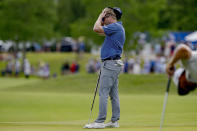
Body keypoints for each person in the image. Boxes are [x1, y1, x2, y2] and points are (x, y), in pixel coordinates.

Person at [84, 7, 125, 128]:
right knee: (113, 94)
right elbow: (99, 29)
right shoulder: (116, 28)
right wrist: (103, 17)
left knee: (103, 93)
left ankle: (100, 121)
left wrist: (100, 15)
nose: (103, 20)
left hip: (110, 64)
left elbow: (96, 28)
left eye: (105, 18)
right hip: (114, 63)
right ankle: (114, 121)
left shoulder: (115, 27)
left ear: (111, 18)